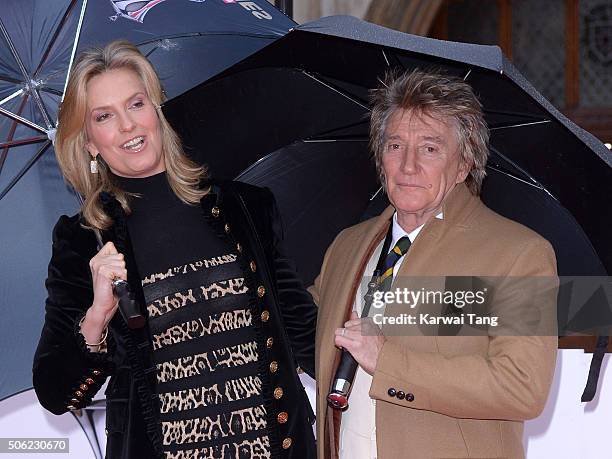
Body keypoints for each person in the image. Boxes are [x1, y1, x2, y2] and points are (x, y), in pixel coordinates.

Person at [33, 40, 316, 459]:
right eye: (105, 116)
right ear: (90, 142)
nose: (128, 125)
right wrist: (97, 316)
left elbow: (303, 332)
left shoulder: (245, 206)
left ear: (158, 111)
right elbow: (56, 392)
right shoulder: (83, 240)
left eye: (136, 104)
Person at [310, 69, 558, 459]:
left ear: (464, 164)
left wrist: (388, 362)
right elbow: (303, 332)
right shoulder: (346, 246)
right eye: (395, 146)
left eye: (429, 148)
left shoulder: (519, 254)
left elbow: (521, 387)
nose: (408, 166)